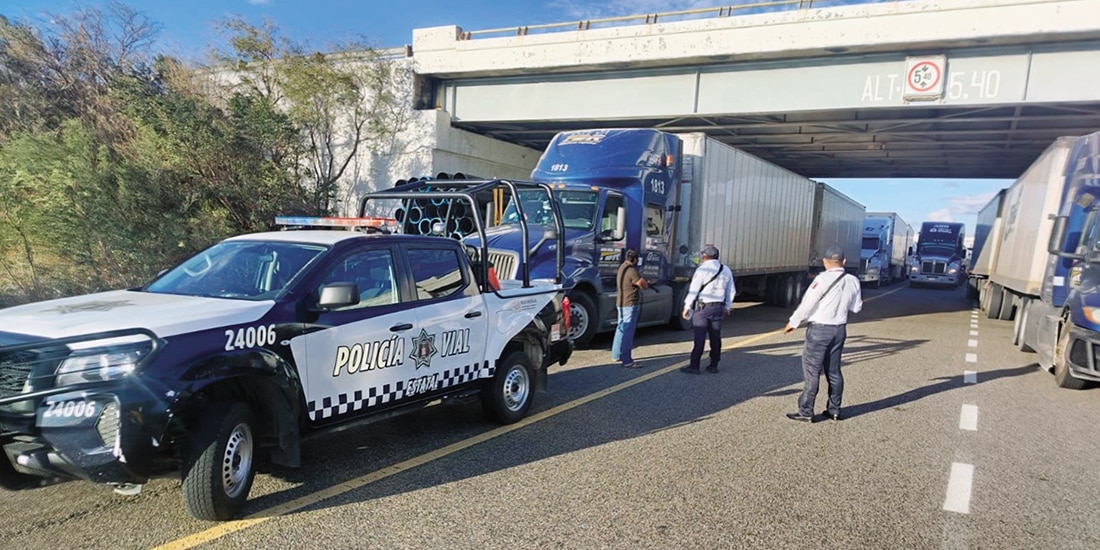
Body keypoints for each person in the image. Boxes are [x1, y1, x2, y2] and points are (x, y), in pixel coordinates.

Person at [784, 245, 863, 422]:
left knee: (812, 370)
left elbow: (808, 303)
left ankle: (806, 411)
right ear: (843, 261)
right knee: (833, 370)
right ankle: (834, 409)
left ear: (825, 262)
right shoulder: (852, 280)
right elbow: (856, 307)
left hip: (820, 329)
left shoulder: (821, 279)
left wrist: (794, 322)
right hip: (839, 329)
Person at [680, 245, 735, 374]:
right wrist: (727, 306)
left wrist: (687, 306)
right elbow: (731, 290)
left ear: (705, 256)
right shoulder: (725, 269)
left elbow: (693, 290)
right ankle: (714, 365)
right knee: (715, 337)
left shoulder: (702, 270)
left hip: (703, 308)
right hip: (718, 307)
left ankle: (694, 366)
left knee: (699, 337)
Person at [612, 249, 649, 368]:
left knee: (620, 329)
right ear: (635, 259)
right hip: (630, 304)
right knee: (628, 332)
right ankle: (627, 360)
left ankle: (616, 355)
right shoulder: (632, 270)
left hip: (621, 303)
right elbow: (643, 285)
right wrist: (646, 282)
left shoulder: (622, 267)